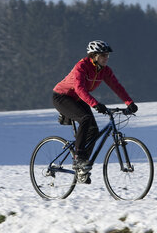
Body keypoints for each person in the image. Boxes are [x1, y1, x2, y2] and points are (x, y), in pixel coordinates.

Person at [52, 40, 138, 174]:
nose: (106, 58)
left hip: (78, 99)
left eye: (107, 55)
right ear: (94, 55)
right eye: (103, 55)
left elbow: (117, 87)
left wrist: (129, 103)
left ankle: (82, 168)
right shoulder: (81, 67)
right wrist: (96, 104)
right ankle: (78, 158)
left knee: (93, 130)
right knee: (85, 119)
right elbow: (79, 89)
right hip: (62, 97)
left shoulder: (105, 71)